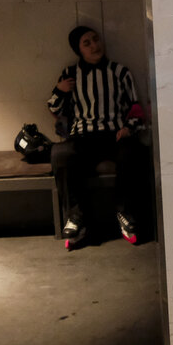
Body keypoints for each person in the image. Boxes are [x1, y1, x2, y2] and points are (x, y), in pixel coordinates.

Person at [47, 25, 150, 249]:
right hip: (83, 137)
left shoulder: (120, 72)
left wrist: (129, 128)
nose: (95, 45)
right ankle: (76, 218)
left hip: (114, 135)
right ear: (79, 50)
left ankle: (125, 213)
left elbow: (136, 108)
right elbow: (54, 108)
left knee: (133, 151)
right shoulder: (70, 74)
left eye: (96, 40)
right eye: (87, 43)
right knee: (61, 154)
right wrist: (59, 90)